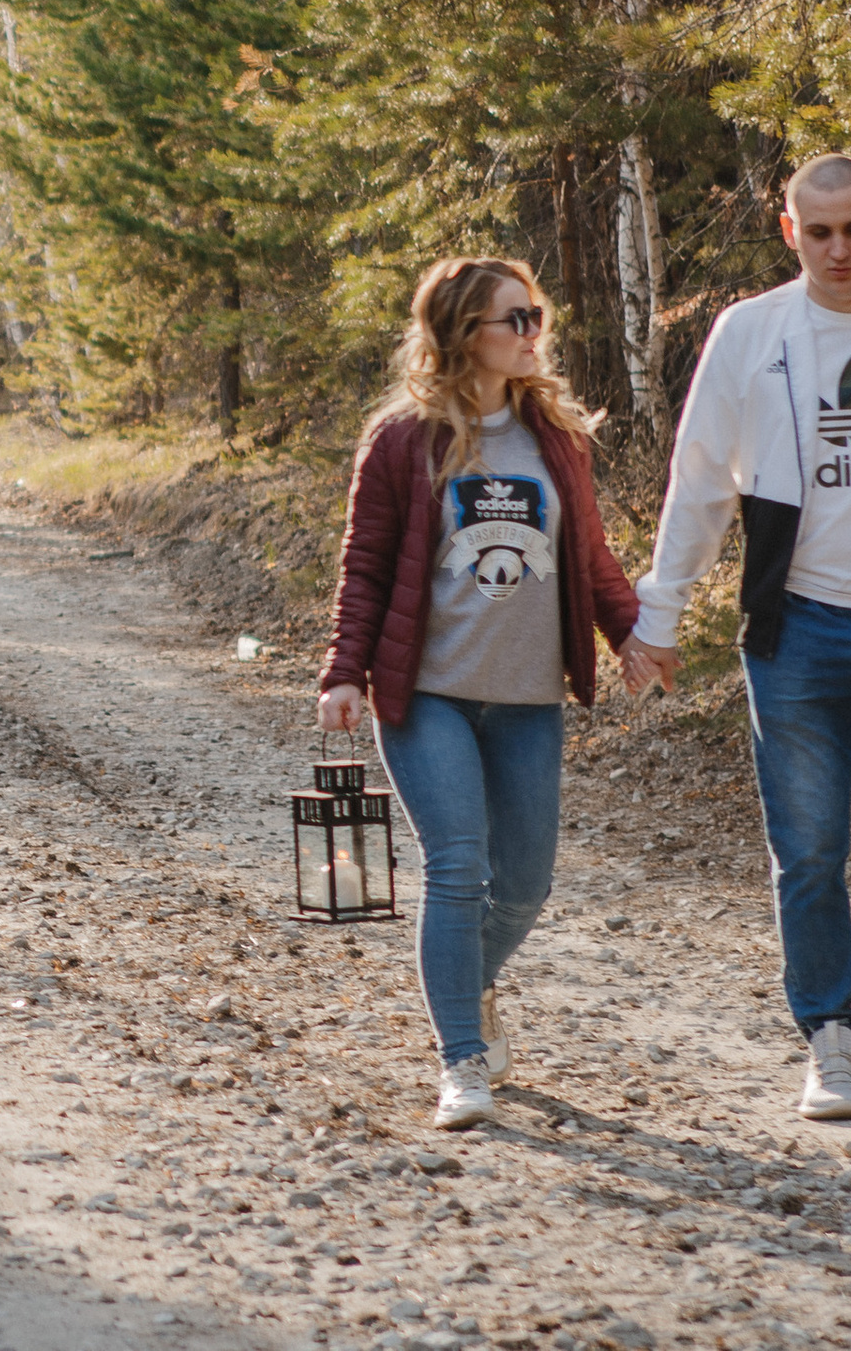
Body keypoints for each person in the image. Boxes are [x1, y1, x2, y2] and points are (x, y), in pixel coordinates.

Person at [319, 256, 645, 1131]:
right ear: (467, 335)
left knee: (527, 886)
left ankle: (464, 979)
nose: (534, 333)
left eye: (536, 316)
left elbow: (592, 557)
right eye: (517, 319)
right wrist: (345, 670)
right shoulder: (401, 440)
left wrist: (631, 636)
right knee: (457, 869)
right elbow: (366, 569)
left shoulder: (557, 438)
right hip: (430, 695)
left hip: (528, 699)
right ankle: (462, 1059)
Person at [625, 150, 851, 1119]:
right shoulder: (751, 332)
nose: (839, 249)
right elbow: (700, 478)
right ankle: (831, 1036)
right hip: (794, 626)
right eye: (821, 230)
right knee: (807, 847)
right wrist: (658, 614)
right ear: (786, 229)